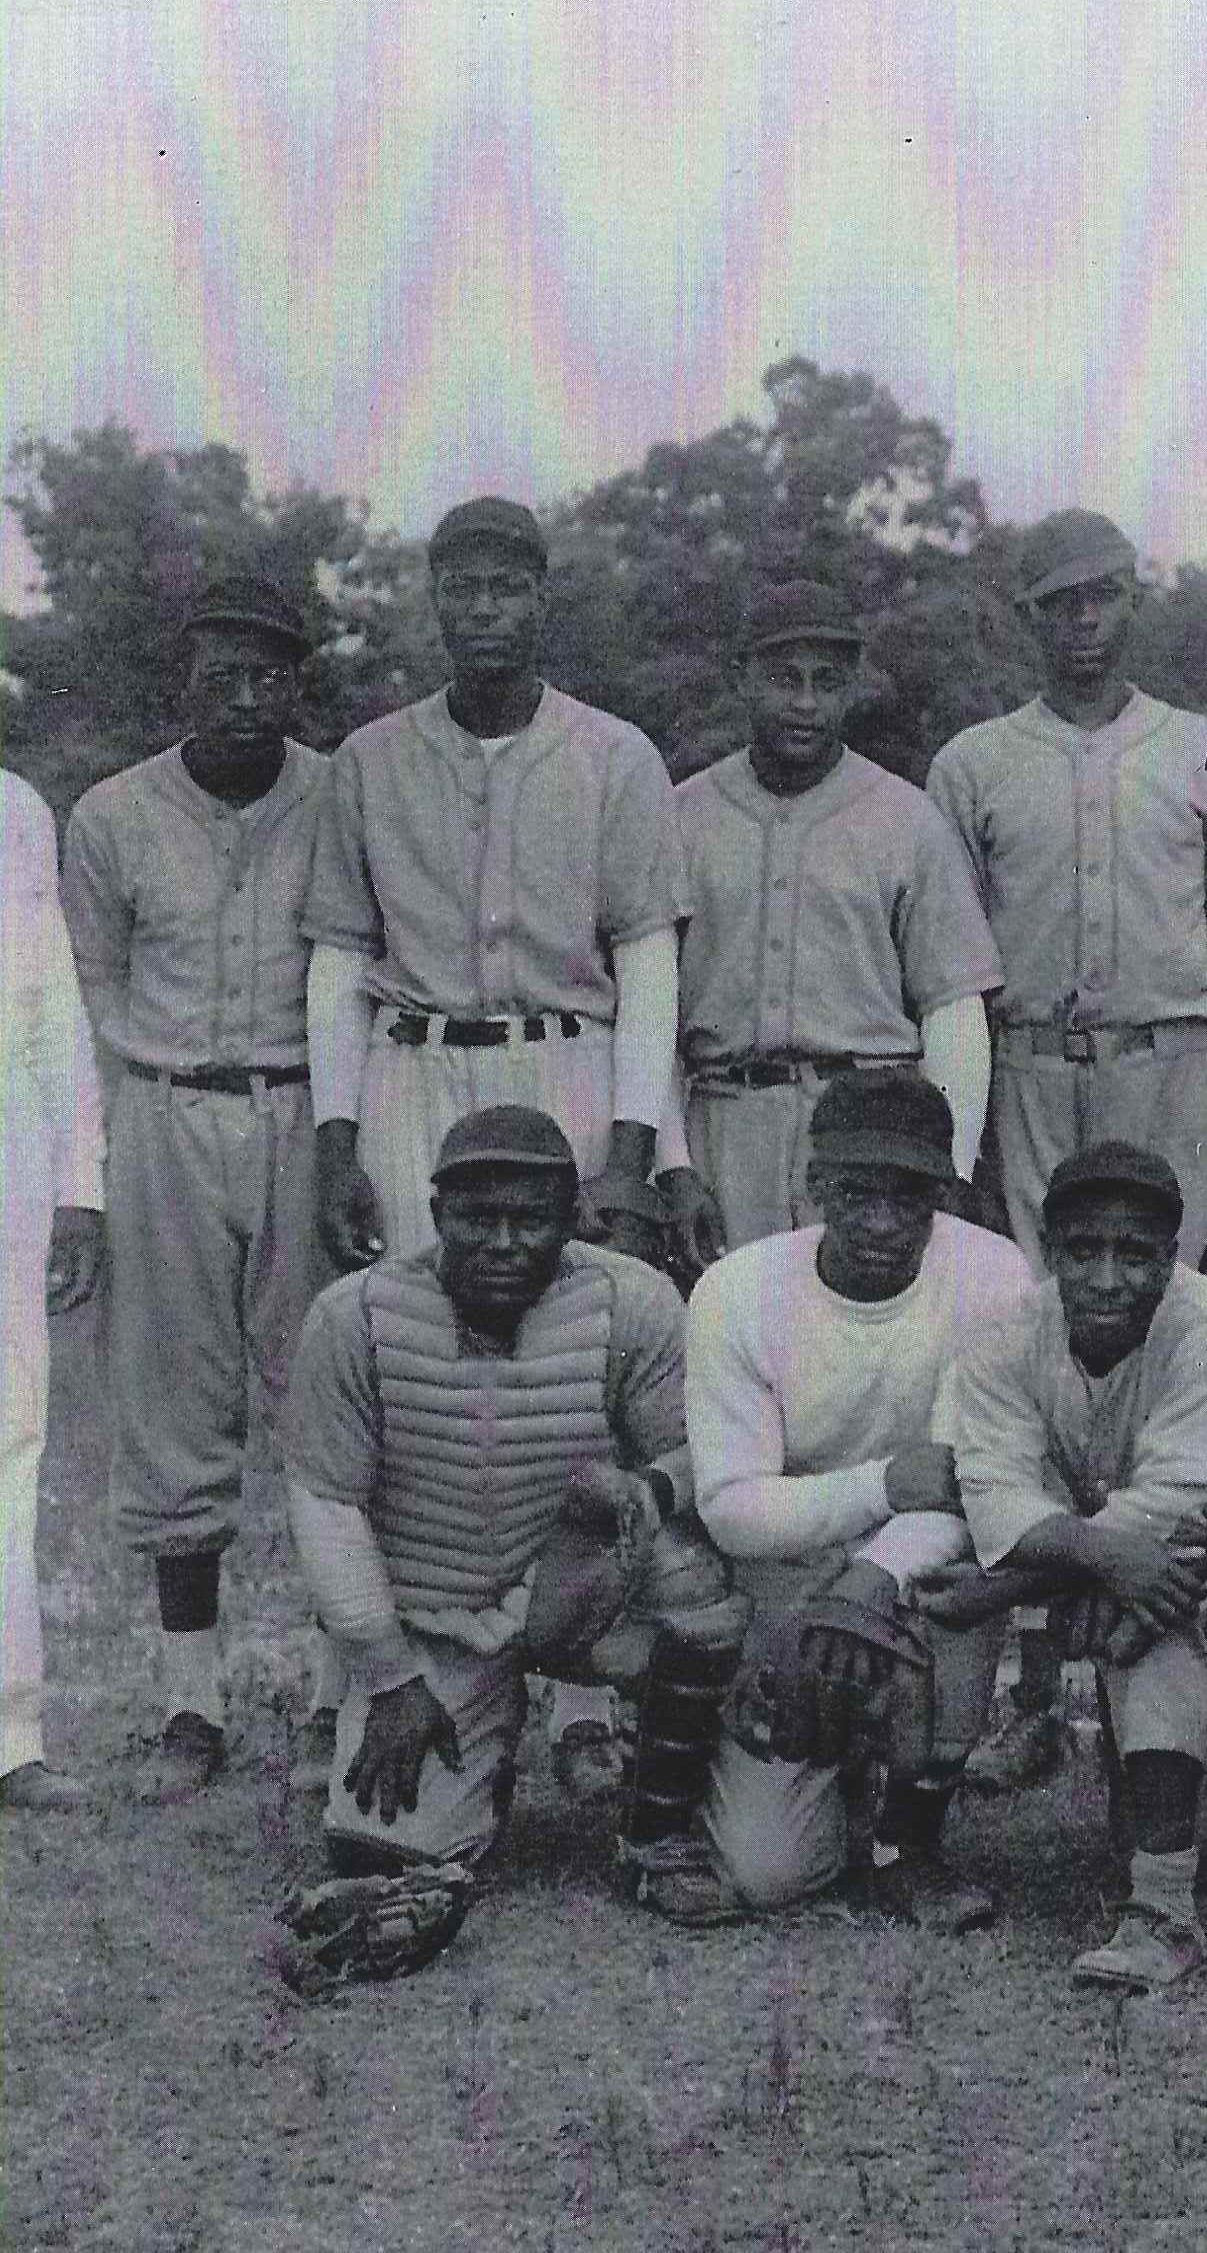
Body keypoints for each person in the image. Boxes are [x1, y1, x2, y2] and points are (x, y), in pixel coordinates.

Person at [301, 494, 689, 1802]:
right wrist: (335, 1134)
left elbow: (646, 951)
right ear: (433, 600)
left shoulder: (615, 755)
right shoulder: (368, 759)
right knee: (409, 1367)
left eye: (505, 586)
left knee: (571, 1367)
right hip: (414, 1066)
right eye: (458, 586)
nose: (481, 609)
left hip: (561, 1061)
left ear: (540, 599)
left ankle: (580, 1679)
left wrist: (633, 1147)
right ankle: (376, 1666)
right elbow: (342, 954)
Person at [926, 512, 1207, 1788]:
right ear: (1026, 618)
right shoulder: (971, 762)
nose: (1083, 622)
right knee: (1038, 1348)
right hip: (1031, 1061)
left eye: (1102, 598)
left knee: (1183, 1340)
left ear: (1133, 603)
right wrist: (963, 1136)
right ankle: (1036, 1682)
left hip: (1173, 1059)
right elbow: (955, 975)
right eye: (1057, 603)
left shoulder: (1204, 754)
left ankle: (1201, 1669)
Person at [281, 1107, 727, 1879]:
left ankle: (665, 1807)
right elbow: (327, 1506)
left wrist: (642, 1488)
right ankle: (480, 1757)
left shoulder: (633, 1300)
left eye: (531, 1221)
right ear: (434, 1215)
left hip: (584, 1587)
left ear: (573, 1220)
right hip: (439, 1613)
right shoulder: (356, 1315)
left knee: (699, 1582)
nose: (503, 1242)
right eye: (477, 1218)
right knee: (378, 1850)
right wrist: (390, 1678)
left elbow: (704, 1454)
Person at [61, 574, 338, 1800]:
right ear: (183, 678)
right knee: (172, 1409)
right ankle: (190, 1703)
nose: (243, 697)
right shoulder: (115, 815)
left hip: (305, 1109)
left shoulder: (340, 793)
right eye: (220, 673)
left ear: (297, 683)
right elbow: (78, 1005)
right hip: (167, 1109)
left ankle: (345, 1686)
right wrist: (85, 1174)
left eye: (268, 674)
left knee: (329, 1397)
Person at [652, 1071, 1037, 1928]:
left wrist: (871, 1580)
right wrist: (878, 1488)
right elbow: (732, 1509)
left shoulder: (993, 1276)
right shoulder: (740, 1290)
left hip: (908, 1566)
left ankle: (911, 1838)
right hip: (780, 1574)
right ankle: (788, 1753)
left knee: (969, 1574)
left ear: (943, 1194)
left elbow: (969, 1483)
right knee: (773, 1874)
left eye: (910, 1198)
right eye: (856, 1192)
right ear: (812, 1183)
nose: (882, 1223)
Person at [948, 1141, 1207, 1990]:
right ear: (1049, 1252)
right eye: (1084, 1251)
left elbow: (1181, 1498)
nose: (1109, 1277)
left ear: (1173, 1256)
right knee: (1141, 1595)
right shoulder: (1007, 1330)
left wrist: (1035, 1580)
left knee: (1155, 1615)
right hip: (1100, 1562)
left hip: (1203, 1564)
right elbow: (996, 1499)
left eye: (1136, 1254)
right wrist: (1095, 1560)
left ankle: (1164, 1915)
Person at [659, 581, 998, 1269]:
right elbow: (651, 1013)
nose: (807, 703)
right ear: (741, 679)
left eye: (828, 682)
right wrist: (672, 1165)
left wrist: (949, 1166)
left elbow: (953, 1007)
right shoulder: (680, 815)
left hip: (869, 1123)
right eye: (785, 680)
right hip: (725, 1119)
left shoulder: (907, 818)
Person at [1, 766, 107, 1814]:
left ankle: (7, 1732)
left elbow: (50, 1009)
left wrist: (80, 1184)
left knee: (7, 1434)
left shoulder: (13, 810)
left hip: (5, 1152)